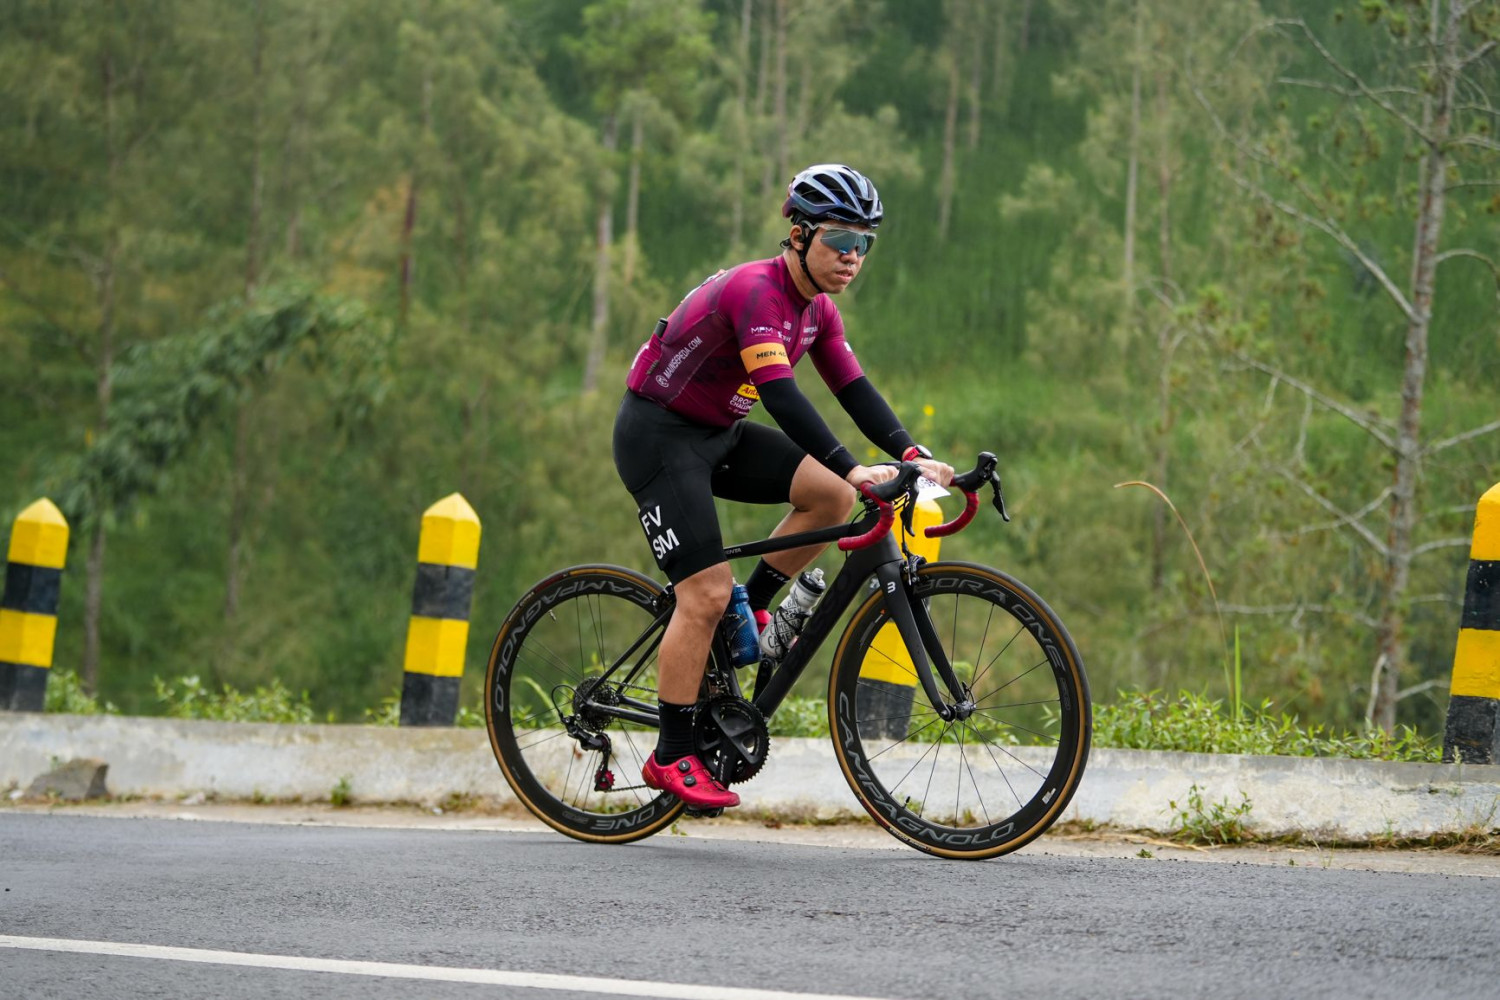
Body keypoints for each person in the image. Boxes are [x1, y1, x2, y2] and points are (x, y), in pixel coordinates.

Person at [612, 163, 954, 810]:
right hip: (658, 437)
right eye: (840, 240)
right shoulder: (757, 293)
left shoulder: (817, 310)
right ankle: (672, 752)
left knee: (832, 498)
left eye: (864, 244)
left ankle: (753, 607)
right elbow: (781, 395)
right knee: (704, 594)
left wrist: (912, 452)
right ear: (799, 235)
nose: (853, 257)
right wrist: (854, 465)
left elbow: (853, 388)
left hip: (718, 431)